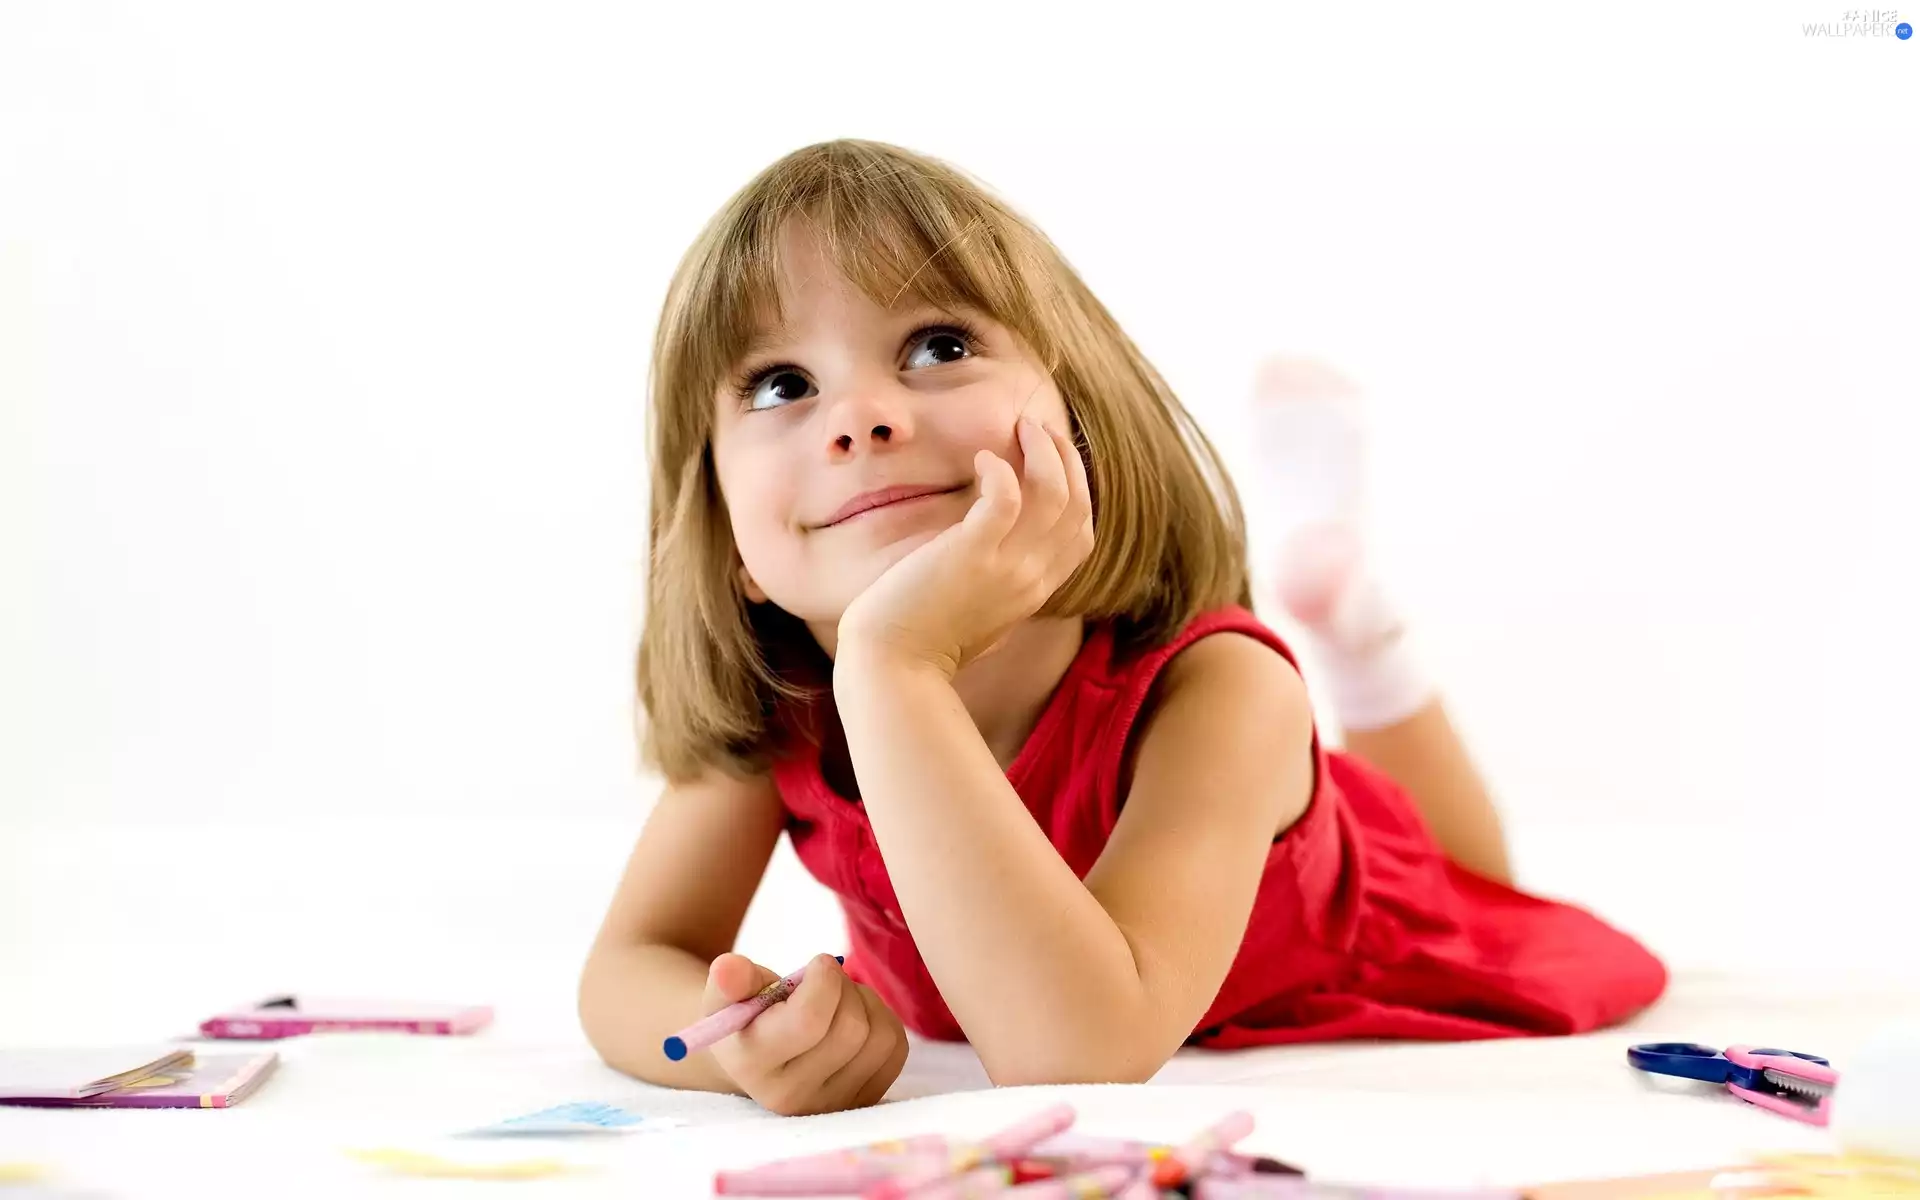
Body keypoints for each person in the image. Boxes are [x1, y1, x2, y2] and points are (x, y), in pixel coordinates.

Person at [579, 138, 1666, 1116]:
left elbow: (1074, 1050)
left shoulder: (1221, 689)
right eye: (781, 384)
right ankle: (1340, 605)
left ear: (1083, 427)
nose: (861, 417)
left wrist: (893, 663)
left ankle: (1355, 634)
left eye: (938, 346)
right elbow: (627, 969)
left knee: (1466, 876)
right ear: (726, 538)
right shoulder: (789, 714)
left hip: (1361, 928)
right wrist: (736, 1049)